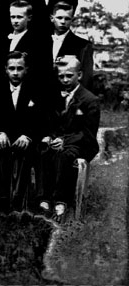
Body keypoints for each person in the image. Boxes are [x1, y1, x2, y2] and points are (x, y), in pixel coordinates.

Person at [38, 56, 100, 222]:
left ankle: (61, 201)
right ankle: (44, 198)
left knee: (65, 155)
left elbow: (87, 132)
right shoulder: (55, 97)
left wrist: (65, 141)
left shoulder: (90, 100)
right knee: (44, 152)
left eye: (69, 76)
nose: (65, 80)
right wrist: (49, 137)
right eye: (61, 76)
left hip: (82, 144)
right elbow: (51, 123)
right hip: (59, 140)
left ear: (79, 75)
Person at [0, 51, 47, 211]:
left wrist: (28, 135)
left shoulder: (36, 89)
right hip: (5, 137)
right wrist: (0, 132)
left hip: (27, 138)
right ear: (5, 69)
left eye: (20, 68)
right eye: (12, 68)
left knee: (27, 153)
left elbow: (42, 119)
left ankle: (19, 202)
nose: (15, 73)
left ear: (26, 69)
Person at [0, 0, 52, 78]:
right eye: (13, 17)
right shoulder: (4, 39)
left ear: (29, 18)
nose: (15, 21)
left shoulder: (37, 41)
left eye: (19, 17)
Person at [50, 2, 94, 88]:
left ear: (72, 20)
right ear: (52, 18)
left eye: (67, 19)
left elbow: (86, 79)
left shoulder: (83, 45)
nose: (63, 22)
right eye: (59, 18)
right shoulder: (41, 42)